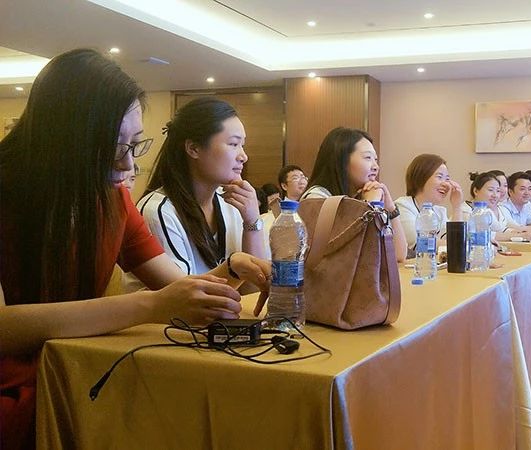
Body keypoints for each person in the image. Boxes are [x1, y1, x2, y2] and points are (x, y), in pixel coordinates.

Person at [0, 49, 270, 450]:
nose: (128, 166)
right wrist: (149, 305)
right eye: (115, 146)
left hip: (74, 370)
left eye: (134, 145)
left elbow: (176, 288)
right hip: (22, 389)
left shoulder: (112, 202)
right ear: (64, 137)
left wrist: (231, 269)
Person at [124, 97, 269, 292]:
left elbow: (254, 289)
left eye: (242, 145)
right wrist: (233, 268)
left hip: (224, 312)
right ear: (193, 148)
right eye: (234, 144)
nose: (243, 156)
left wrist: (252, 222)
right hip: (173, 313)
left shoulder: (231, 203)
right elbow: (186, 300)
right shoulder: (159, 211)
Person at [301, 126, 407, 261]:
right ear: (342, 160)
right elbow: (349, 258)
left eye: (376, 160)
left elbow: (398, 254)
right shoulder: (316, 199)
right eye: (368, 158)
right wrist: (369, 206)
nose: (376, 166)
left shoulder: (358, 197)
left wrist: (391, 209)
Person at [395, 154, 464, 253]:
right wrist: (457, 244)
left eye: (447, 179)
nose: (445, 184)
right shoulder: (403, 206)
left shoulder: (439, 211)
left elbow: (456, 242)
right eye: (439, 177)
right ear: (421, 178)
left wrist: (457, 207)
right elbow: (418, 244)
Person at [463, 171, 519, 242]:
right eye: (490, 190)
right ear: (476, 191)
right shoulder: (465, 211)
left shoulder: (487, 210)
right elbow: (481, 235)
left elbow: (501, 229)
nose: (495, 195)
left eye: (498, 191)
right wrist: (520, 235)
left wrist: (521, 234)